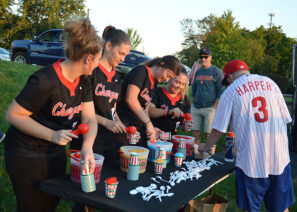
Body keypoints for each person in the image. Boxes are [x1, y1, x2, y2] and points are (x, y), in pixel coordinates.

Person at [4, 17, 101, 211]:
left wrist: (87, 147)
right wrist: (52, 135)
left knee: (50, 202)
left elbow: (90, 118)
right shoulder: (45, 80)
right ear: (88, 58)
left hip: (54, 151)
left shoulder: (84, 80)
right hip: (26, 151)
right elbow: (13, 115)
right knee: (32, 206)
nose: (98, 64)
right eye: (98, 59)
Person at [198, 60, 295, 212]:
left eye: (227, 81)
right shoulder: (271, 83)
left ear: (230, 77)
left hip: (251, 162)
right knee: (281, 208)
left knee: (250, 209)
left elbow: (217, 130)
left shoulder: (231, 91)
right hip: (279, 159)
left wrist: (205, 146)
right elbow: (286, 119)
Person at [71, 26, 131, 162]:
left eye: (125, 55)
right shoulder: (90, 70)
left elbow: (112, 109)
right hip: (89, 137)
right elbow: (78, 108)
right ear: (108, 46)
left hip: (109, 138)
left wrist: (123, 128)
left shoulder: (117, 76)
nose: (123, 59)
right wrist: (106, 122)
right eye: (121, 54)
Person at [116, 56, 181, 147]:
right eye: (168, 75)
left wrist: (151, 128)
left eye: (170, 78)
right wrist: (148, 123)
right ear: (161, 65)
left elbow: (145, 110)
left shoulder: (153, 83)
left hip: (136, 129)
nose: (166, 80)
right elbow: (130, 99)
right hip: (122, 125)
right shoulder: (141, 71)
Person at [191, 47, 224, 145]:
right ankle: (196, 154)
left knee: (208, 135)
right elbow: (193, 89)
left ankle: (210, 157)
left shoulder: (217, 71)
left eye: (206, 57)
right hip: (196, 107)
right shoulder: (198, 71)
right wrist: (193, 102)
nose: (203, 59)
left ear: (210, 57)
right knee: (196, 133)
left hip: (209, 108)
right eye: (201, 57)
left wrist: (214, 107)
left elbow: (221, 90)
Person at [149, 66, 191, 134]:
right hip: (154, 137)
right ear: (169, 79)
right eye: (177, 82)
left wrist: (187, 125)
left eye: (183, 84)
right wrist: (169, 111)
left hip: (171, 141)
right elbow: (149, 111)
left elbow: (185, 129)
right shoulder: (157, 92)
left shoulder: (184, 99)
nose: (180, 87)